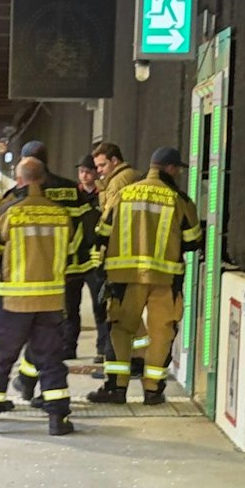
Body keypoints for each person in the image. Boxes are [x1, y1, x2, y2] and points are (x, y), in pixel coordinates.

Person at [0, 158, 76, 436]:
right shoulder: (61, 215)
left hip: (14, 301)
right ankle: (57, 418)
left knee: (0, 357)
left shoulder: (10, 213)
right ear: (43, 179)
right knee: (49, 358)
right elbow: (70, 256)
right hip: (51, 300)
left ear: (19, 180)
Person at [90, 145, 202, 404]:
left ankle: (116, 389)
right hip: (165, 279)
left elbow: (102, 233)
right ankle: (153, 391)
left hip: (124, 278)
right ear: (171, 169)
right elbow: (193, 241)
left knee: (121, 330)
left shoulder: (123, 194)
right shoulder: (179, 199)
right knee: (161, 333)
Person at [0, 142, 99, 404]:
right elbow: (88, 226)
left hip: (27, 277)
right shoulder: (71, 189)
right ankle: (36, 383)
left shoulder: (17, 195)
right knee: (54, 329)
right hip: (69, 270)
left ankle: (28, 380)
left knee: (31, 333)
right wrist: (76, 255)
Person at [90, 142, 140, 366]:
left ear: (114, 161)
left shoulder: (119, 181)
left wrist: (99, 243)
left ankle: (118, 364)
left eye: (101, 165)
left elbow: (109, 218)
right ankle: (135, 360)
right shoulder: (130, 176)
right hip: (132, 252)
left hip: (121, 253)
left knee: (116, 312)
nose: (98, 170)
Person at [75, 153, 109, 365]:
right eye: (81, 172)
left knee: (100, 306)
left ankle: (102, 349)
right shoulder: (73, 195)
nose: (84, 175)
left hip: (95, 260)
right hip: (75, 258)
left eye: (88, 171)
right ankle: (68, 348)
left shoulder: (103, 195)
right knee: (70, 308)